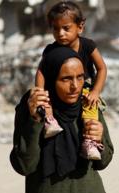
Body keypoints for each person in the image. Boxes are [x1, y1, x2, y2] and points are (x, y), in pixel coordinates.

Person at [10, 47, 114, 193]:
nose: (75, 86)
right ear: (49, 80)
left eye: (80, 77)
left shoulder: (89, 104)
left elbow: (104, 160)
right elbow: (24, 164)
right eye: (65, 79)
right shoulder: (33, 108)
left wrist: (99, 139)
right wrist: (34, 121)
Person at [35, 1, 107, 160]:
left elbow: (102, 68)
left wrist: (95, 91)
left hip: (86, 89)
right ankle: (50, 121)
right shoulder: (51, 50)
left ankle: (90, 142)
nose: (60, 33)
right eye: (55, 29)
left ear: (80, 27)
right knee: (47, 103)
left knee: (90, 109)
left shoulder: (87, 45)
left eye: (66, 28)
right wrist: (40, 94)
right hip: (58, 91)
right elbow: (41, 71)